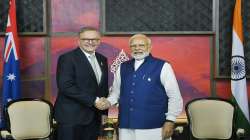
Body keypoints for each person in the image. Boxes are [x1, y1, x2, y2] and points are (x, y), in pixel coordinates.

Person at [99, 34, 183, 140]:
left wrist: (170, 121)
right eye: (134, 46)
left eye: (141, 45)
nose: (137, 48)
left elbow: (175, 96)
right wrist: (107, 102)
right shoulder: (122, 67)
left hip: (154, 127)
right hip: (126, 126)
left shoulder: (163, 66)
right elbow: (116, 93)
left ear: (149, 47)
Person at [54, 27, 109, 140]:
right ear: (78, 41)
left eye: (94, 39)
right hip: (72, 118)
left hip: (94, 118)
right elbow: (66, 86)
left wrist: (104, 109)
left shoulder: (102, 59)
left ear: (99, 41)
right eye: (86, 39)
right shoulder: (67, 58)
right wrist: (95, 101)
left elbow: (102, 88)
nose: (90, 42)